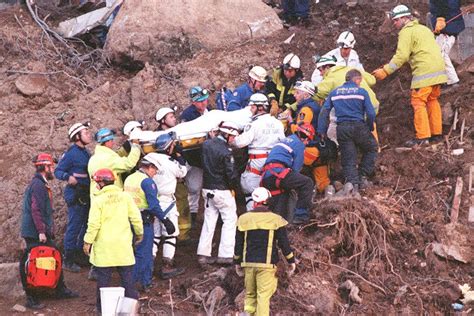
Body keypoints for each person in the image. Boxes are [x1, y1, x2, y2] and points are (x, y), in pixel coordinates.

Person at [373, 4, 447, 147]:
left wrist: (385, 70)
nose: (394, 24)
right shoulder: (424, 29)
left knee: (418, 102)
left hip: (425, 72)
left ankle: (422, 137)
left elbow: (401, 57)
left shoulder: (406, 32)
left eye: (395, 20)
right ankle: (436, 135)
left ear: (404, 18)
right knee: (432, 100)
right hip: (439, 71)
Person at [20, 153, 78, 310]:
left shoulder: (40, 183)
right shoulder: (38, 185)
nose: (53, 169)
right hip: (34, 231)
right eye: (51, 166)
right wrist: (41, 231)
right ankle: (31, 296)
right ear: (44, 167)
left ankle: (58, 289)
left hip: (36, 229)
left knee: (53, 253)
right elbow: (36, 209)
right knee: (30, 261)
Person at [83, 168, 143, 313]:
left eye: (97, 182)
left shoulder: (98, 200)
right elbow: (135, 218)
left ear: (102, 183)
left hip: (105, 248)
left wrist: (87, 242)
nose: (96, 185)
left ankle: (102, 311)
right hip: (123, 247)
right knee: (127, 281)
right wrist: (139, 233)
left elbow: (93, 224)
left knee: (103, 281)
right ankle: (129, 312)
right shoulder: (126, 197)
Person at [234, 187, 296, 316]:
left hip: (248, 264)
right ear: (267, 201)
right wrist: (291, 260)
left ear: (254, 201)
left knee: (250, 294)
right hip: (267, 265)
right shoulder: (275, 220)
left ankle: (248, 313)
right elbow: (284, 243)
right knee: (263, 296)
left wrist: (237, 261)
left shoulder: (243, 219)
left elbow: (238, 244)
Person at [318, 69, 377, 192]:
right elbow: (371, 113)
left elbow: (324, 112)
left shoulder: (335, 93)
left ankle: (353, 186)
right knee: (371, 148)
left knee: (348, 157)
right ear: (357, 79)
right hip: (359, 126)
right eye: (360, 81)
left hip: (342, 128)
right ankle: (363, 175)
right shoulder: (362, 92)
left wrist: (322, 131)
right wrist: (370, 126)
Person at [124, 154, 177, 291]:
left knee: (132, 252)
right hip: (144, 221)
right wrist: (165, 221)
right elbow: (153, 205)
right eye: (155, 170)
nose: (155, 174)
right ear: (150, 167)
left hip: (128, 220)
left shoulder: (130, 178)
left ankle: (130, 281)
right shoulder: (147, 182)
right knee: (145, 253)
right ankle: (142, 283)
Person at [231, 93, 285, 210]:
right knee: (271, 190)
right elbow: (283, 142)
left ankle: (252, 216)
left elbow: (240, 143)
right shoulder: (278, 123)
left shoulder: (254, 124)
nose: (250, 110)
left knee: (249, 188)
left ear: (257, 107)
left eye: (252, 107)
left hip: (257, 162)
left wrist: (230, 138)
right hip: (274, 161)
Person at [197, 122, 240, 266]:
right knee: (230, 220)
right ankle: (226, 255)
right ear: (227, 135)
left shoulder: (206, 145)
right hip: (222, 189)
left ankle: (203, 254)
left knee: (209, 221)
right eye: (233, 137)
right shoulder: (226, 151)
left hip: (207, 188)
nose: (234, 140)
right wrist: (234, 188)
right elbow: (231, 174)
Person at [313, 54, 380, 144]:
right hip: (374, 106)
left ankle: (341, 145)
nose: (321, 74)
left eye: (320, 70)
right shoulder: (352, 70)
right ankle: (374, 143)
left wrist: (294, 105)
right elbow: (372, 80)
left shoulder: (330, 79)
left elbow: (313, 94)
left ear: (327, 67)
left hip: (357, 114)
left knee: (338, 118)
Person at [54, 122, 92, 272]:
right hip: (76, 195)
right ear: (77, 136)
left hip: (85, 194)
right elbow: (58, 171)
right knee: (74, 227)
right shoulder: (71, 154)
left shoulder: (86, 152)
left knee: (86, 226)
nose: (89, 134)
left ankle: (79, 255)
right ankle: (68, 259)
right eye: (85, 132)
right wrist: (67, 176)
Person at [150, 135, 188, 279]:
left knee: (155, 236)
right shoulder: (172, 163)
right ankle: (167, 266)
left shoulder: (149, 158)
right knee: (170, 235)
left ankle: (149, 265)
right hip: (167, 202)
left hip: (152, 201)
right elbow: (183, 172)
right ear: (169, 147)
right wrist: (179, 155)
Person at [261, 123, 314, 224]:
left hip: (267, 177)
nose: (307, 143)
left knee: (280, 209)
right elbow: (296, 169)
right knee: (307, 183)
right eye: (308, 140)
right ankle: (301, 216)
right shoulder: (299, 144)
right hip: (279, 173)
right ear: (305, 138)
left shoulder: (286, 140)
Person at [155, 107, 192, 243]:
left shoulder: (176, 134)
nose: (174, 119)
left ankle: (182, 235)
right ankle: (170, 236)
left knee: (182, 204)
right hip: (166, 177)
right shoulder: (156, 137)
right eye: (170, 117)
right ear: (163, 120)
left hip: (176, 176)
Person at [290, 81, 331, 193]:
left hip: (308, 150)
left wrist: (290, 123)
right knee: (323, 183)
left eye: (298, 93)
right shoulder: (317, 106)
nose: (295, 95)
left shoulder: (305, 110)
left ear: (306, 95)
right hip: (320, 149)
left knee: (292, 169)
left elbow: (301, 131)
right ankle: (331, 195)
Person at [180, 86, 209, 226]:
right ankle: (191, 217)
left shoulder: (208, 113)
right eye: (200, 101)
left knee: (201, 188)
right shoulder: (187, 116)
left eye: (205, 100)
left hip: (204, 157)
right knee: (193, 188)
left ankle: (197, 216)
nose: (204, 104)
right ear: (193, 102)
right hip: (191, 158)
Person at [88, 127, 141, 195]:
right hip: (112, 198)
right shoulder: (108, 159)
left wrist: (125, 147)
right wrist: (136, 146)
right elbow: (129, 163)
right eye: (111, 140)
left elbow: (116, 156)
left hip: (97, 199)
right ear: (107, 142)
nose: (113, 143)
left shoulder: (93, 159)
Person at [429, 0, 465, 86]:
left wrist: (440, 18)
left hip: (447, 26)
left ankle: (453, 81)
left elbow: (442, 5)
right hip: (447, 25)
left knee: (441, 54)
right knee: (437, 53)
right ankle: (444, 80)